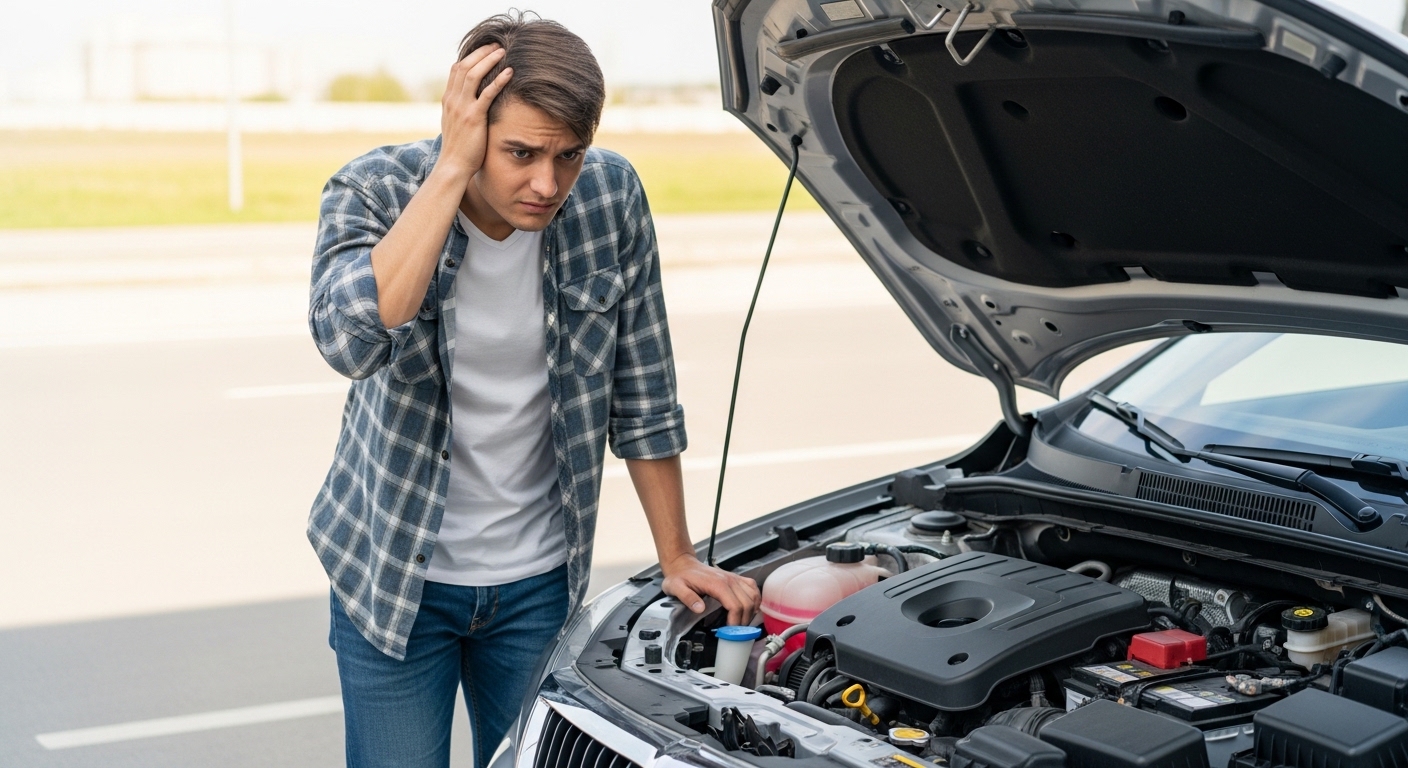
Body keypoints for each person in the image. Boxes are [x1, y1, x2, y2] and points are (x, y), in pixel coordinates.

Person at [305, 12, 760, 768]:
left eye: (568, 155)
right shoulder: (378, 188)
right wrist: (450, 173)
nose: (547, 184)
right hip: (393, 582)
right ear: (468, 123)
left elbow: (644, 390)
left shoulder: (609, 197)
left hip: (538, 588)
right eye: (519, 152)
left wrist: (676, 555)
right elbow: (349, 342)